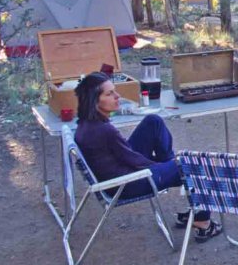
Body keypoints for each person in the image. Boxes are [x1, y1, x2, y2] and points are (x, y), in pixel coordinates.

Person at [73, 72, 222, 242]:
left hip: (120, 170)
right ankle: (203, 222)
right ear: (94, 100)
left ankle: (175, 172)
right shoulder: (104, 130)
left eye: (114, 91)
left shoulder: (86, 124)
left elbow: (124, 154)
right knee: (194, 164)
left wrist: (166, 166)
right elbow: (132, 160)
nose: (117, 96)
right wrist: (164, 167)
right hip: (126, 184)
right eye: (109, 94)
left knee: (153, 121)